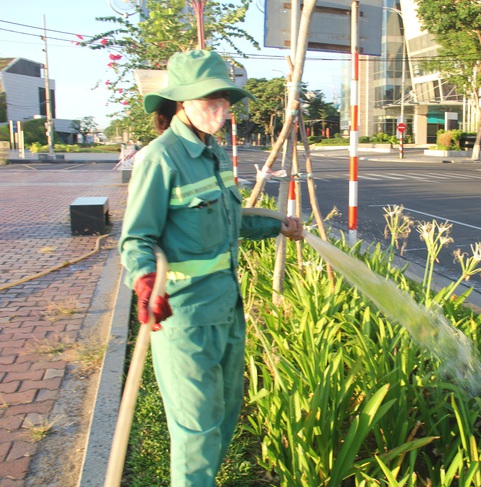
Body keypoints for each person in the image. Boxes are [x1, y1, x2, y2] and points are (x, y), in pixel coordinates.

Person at [119, 49, 303, 486]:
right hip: (184, 315)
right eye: (209, 101)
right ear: (181, 102)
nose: (220, 112)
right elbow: (136, 238)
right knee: (197, 428)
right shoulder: (161, 158)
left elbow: (227, 222)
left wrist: (277, 226)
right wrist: (146, 281)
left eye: (224, 101)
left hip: (226, 307)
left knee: (222, 415)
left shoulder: (215, 154)